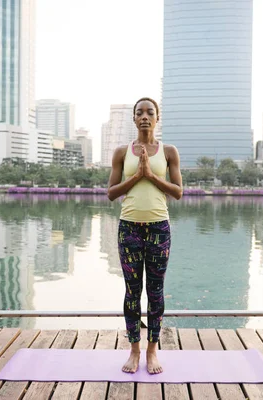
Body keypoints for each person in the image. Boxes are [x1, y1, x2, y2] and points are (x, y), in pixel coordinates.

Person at [107, 97, 182, 374]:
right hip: (129, 228)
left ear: (157, 117)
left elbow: (177, 192)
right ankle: (134, 351)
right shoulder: (121, 152)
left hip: (159, 228)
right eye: (139, 113)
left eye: (150, 112)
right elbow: (112, 193)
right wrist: (137, 176)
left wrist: (150, 174)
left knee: (156, 291)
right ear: (134, 119)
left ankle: (152, 351)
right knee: (132, 292)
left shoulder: (169, 151)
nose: (144, 116)